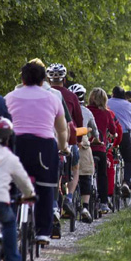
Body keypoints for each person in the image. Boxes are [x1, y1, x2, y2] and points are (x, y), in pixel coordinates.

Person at [5, 62, 68, 244]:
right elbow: (62, 130)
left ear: (22, 79)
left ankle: (7, 224)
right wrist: (63, 147)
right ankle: (42, 232)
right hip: (44, 147)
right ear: (43, 81)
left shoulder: (9, 97)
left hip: (16, 145)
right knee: (46, 188)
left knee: (10, 185)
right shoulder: (53, 99)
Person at [0, 116, 35, 261]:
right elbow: (23, 180)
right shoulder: (10, 157)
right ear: (8, 138)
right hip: (1, 202)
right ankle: (12, 259)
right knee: (10, 223)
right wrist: (30, 194)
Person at [47, 63, 83, 217]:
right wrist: (79, 140)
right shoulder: (70, 96)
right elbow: (78, 121)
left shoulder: (44, 94)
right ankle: (69, 197)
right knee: (75, 169)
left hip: (46, 140)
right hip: (68, 140)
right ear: (64, 79)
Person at [68, 84, 99, 223]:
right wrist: (97, 139)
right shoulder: (86, 112)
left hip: (66, 142)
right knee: (86, 174)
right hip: (82, 143)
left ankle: (65, 203)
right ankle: (85, 207)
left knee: (66, 174)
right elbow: (95, 130)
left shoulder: (65, 109)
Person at [107, 86, 131, 197]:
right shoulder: (129, 105)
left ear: (113, 94)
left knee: (108, 159)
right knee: (129, 160)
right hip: (125, 135)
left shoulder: (107, 102)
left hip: (109, 136)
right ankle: (126, 182)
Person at [87, 88, 116, 214]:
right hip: (100, 148)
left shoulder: (86, 111)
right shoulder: (107, 113)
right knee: (102, 175)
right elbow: (113, 131)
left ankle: (83, 202)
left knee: (84, 174)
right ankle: (103, 203)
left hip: (86, 147)